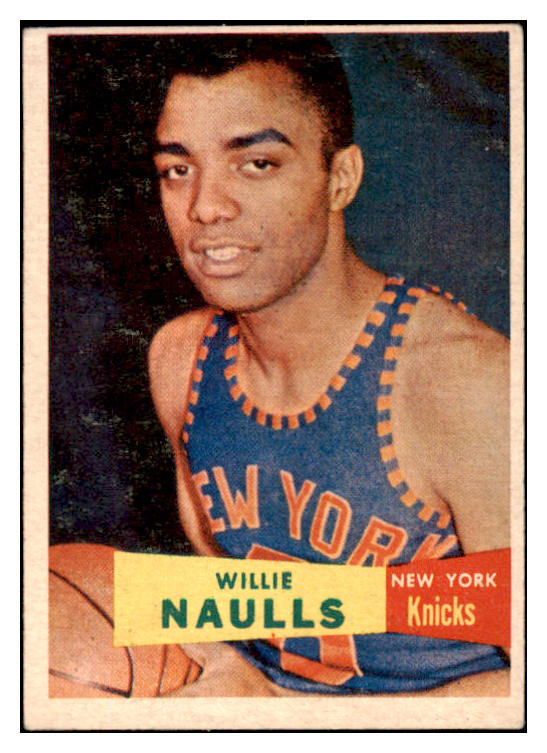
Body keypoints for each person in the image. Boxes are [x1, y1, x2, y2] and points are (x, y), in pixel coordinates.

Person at [148, 34, 510, 696]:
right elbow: (235, 603)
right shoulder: (181, 359)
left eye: (256, 163)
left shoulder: (469, 384)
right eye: (178, 169)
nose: (205, 207)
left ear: (339, 177)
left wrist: (284, 716)